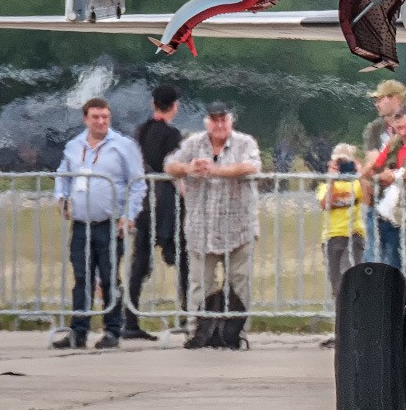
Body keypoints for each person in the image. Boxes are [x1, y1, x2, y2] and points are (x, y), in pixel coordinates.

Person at [164, 103, 263, 349]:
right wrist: (189, 168)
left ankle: (236, 332)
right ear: (207, 122)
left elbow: (252, 166)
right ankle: (199, 332)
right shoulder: (194, 143)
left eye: (224, 120)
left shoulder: (245, 142)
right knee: (200, 283)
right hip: (202, 227)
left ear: (231, 121)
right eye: (214, 120)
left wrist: (217, 171)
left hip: (239, 226)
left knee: (240, 281)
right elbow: (170, 165)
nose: (219, 125)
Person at [51, 98, 147, 350]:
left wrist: (130, 215)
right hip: (82, 224)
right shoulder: (74, 146)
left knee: (108, 278)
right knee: (82, 277)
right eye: (95, 117)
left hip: (110, 223)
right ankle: (78, 331)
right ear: (85, 118)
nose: (101, 121)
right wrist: (60, 197)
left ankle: (113, 330)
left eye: (105, 117)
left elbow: (138, 183)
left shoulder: (123, 146)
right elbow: (63, 175)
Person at [126, 84, 185, 339]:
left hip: (144, 201)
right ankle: (187, 314)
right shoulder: (172, 135)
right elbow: (173, 170)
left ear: (153, 104)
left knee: (139, 261)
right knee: (183, 259)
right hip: (166, 203)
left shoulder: (141, 132)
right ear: (175, 107)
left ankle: (130, 319)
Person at [366, 107, 406, 291]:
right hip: (385, 213)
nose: (403, 132)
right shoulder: (395, 144)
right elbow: (375, 167)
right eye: (398, 128)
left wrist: (398, 174)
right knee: (382, 265)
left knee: (403, 270)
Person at [316, 142, 367, 309]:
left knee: (350, 279)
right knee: (336, 284)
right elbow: (325, 203)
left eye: (346, 162)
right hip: (332, 236)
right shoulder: (325, 186)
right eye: (339, 162)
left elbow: (368, 198)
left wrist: (360, 172)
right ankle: (341, 327)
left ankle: (355, 325)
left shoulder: (356, 184)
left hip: (354, 235)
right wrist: (331, 178)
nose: (343, 166)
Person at [361, 79, 406, 159]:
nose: (376, 105)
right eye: (376, 101)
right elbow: (370, 159)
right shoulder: (374, 128)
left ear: (395, 99)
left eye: (380, 99)